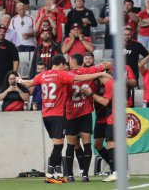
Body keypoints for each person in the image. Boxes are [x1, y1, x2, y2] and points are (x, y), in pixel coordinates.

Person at [18, 54, 108, 184]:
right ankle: (51, 174)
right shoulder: (61, 74)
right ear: (60, 64)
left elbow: (29, 83)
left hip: (45, 115)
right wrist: (99, 74)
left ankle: (58, 174)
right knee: (59, 146)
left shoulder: (42, 75)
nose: (65, 67)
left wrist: (19, 80)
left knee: (59, 145)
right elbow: (80, 77)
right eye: (64, 65)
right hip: (58, 114)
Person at [64, 54, 110, 182]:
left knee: (70, 146)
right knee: (87, 144)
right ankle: (85, 175)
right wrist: (102, 72)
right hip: (85, 114)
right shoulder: (88, 71)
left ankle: (70, 175)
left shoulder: (68, 75)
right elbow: (107, 64)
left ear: (73, 61)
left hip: (71, 114)